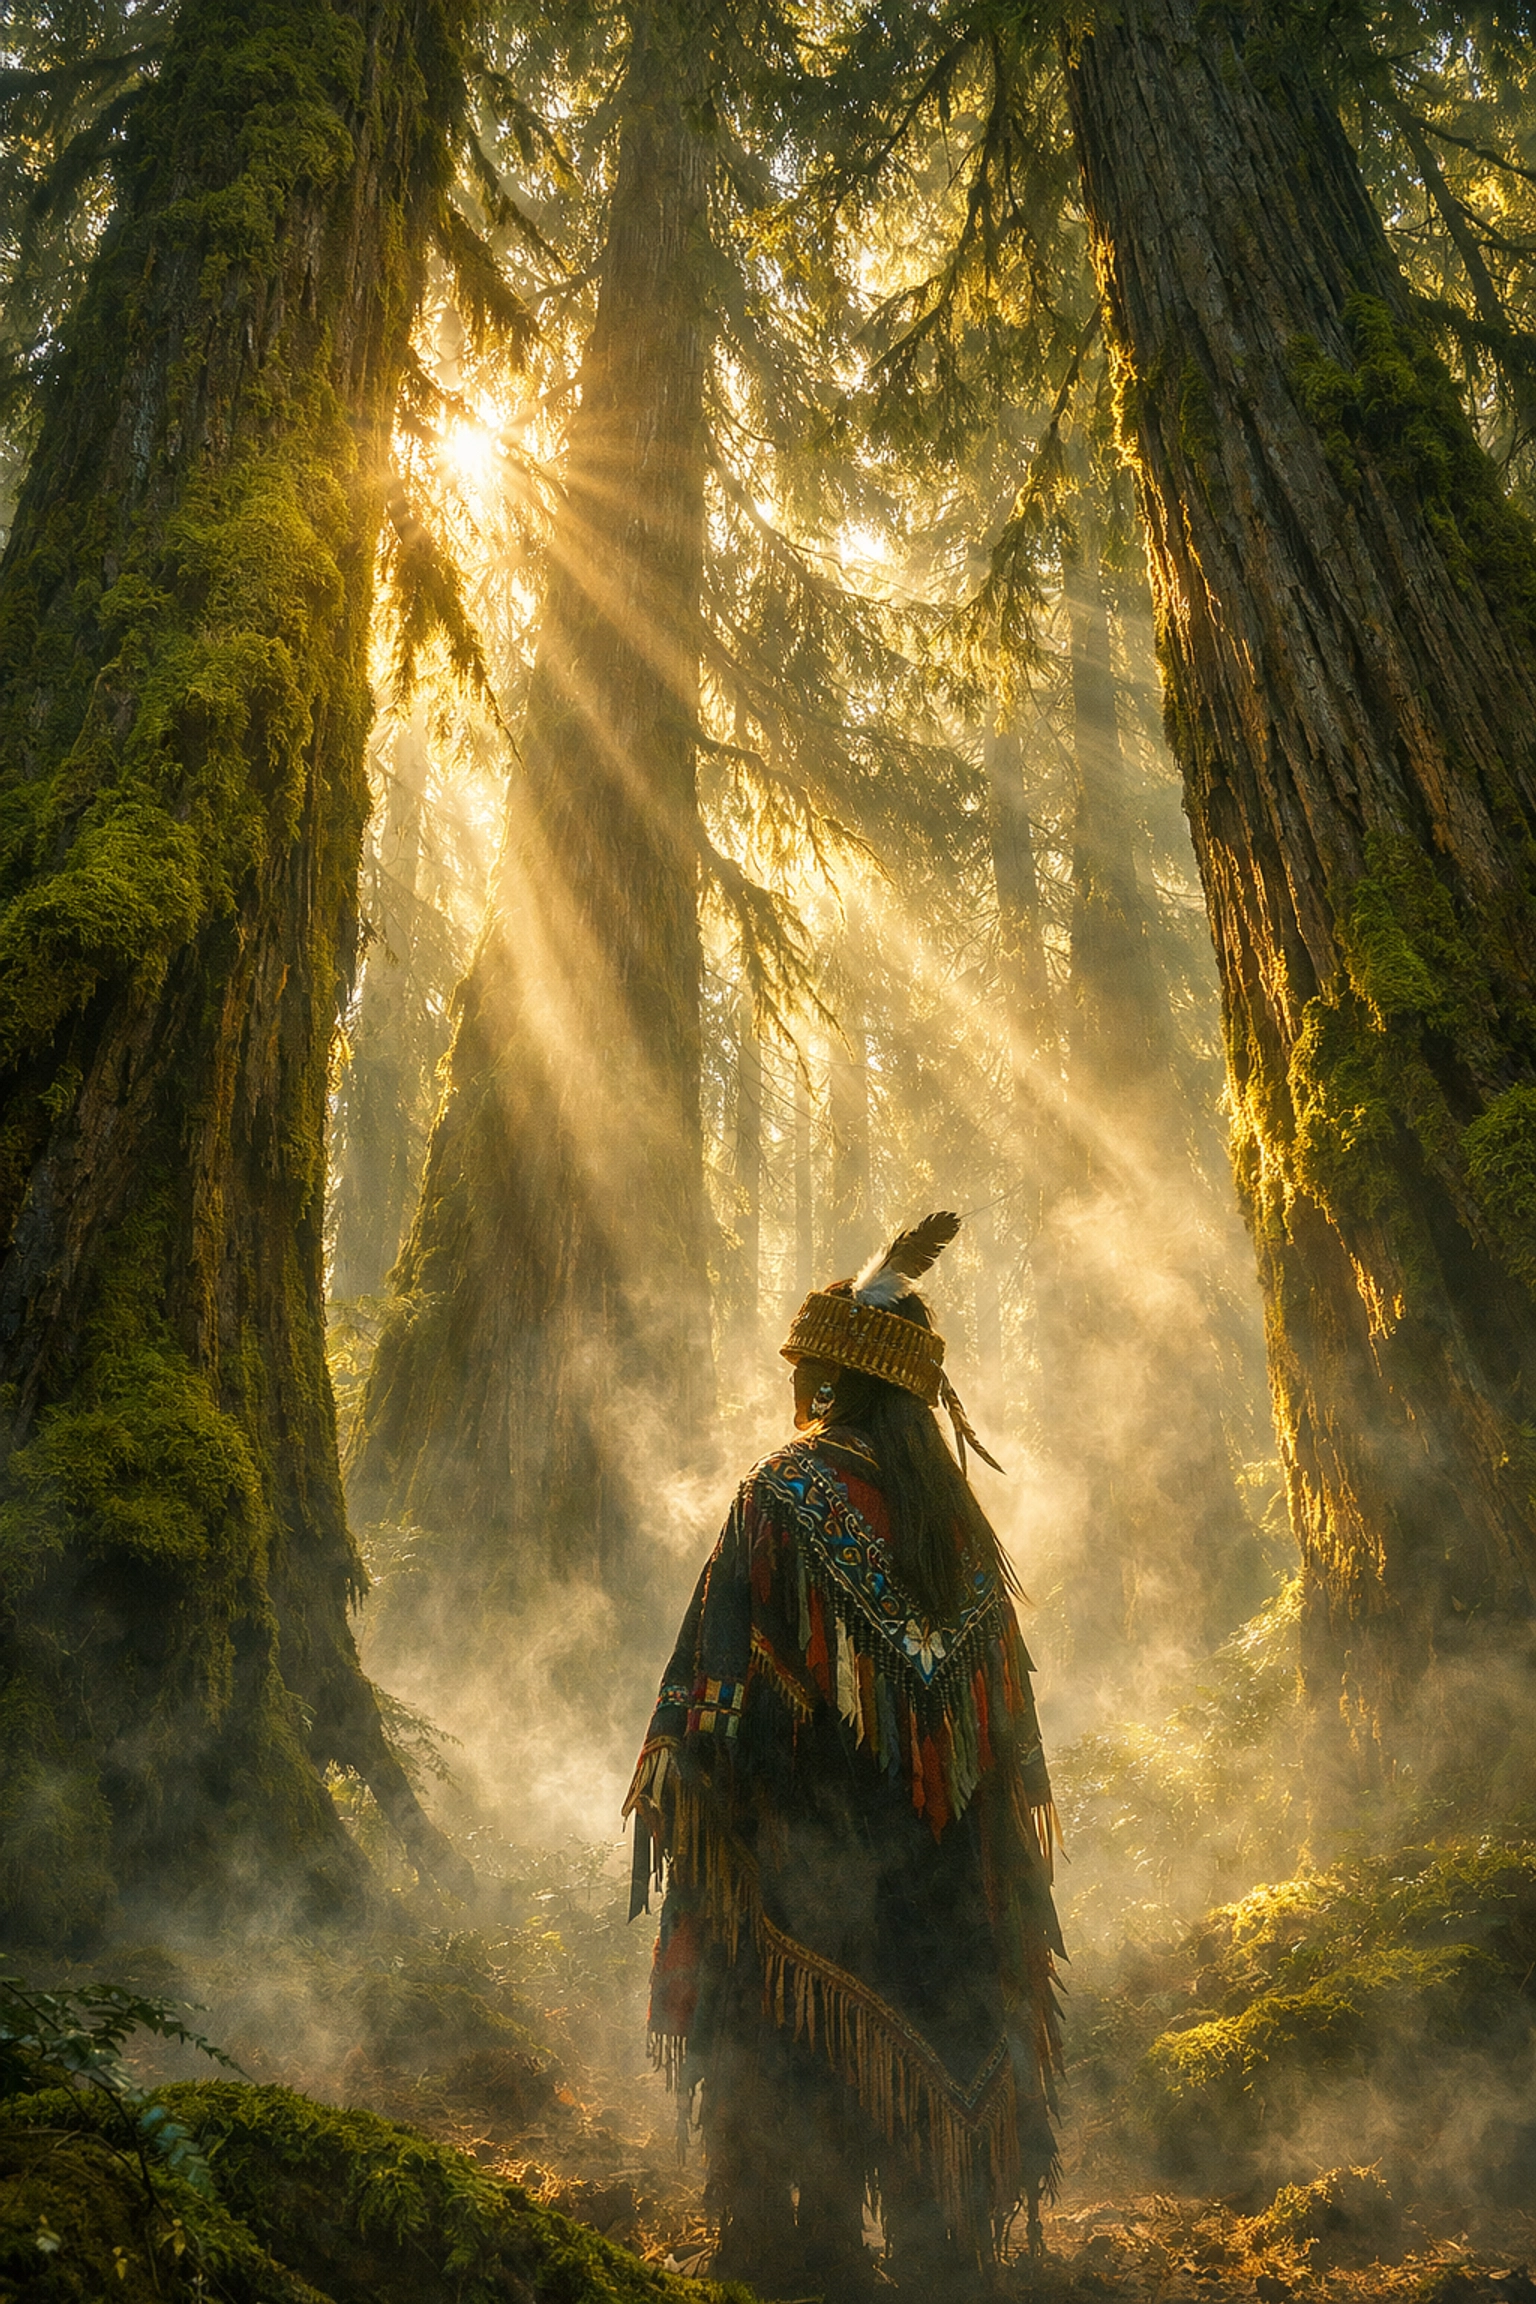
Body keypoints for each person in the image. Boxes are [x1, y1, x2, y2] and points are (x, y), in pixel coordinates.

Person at [625, 1212, 1063, 2298]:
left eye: (805, 1376)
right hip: (952, 1901)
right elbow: (1009, 1744)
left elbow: (707, 1710)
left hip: (810, 1902)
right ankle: (940, 2247)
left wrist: (704, 1789)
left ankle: (805, 2252)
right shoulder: (962, 1533)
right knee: (937, 2110)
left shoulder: (779, 1500)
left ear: (828, 1385)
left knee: (794, 2081)